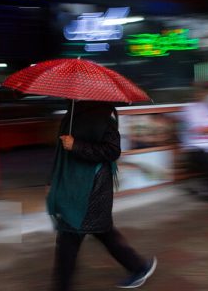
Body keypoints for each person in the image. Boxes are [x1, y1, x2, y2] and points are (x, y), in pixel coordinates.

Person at [46, 101, 157, 291]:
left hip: (91, 188)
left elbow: (112, 151)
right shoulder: (72, 111)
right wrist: (53, 180)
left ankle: (62, 286)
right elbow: (62, 154)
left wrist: (76, 145)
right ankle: (138, 267)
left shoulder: (105, 117)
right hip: (73, 185)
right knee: (102, 232)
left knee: (69, 238)